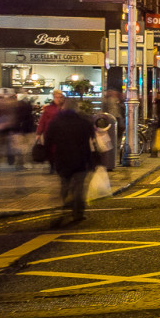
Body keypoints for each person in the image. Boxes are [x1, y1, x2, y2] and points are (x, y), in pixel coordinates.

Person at [42, 97, 96, 226]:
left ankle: (64, 207)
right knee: (79, 187)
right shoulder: (84, 122)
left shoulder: (56, 122)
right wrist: (92, 160)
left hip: (62, 159)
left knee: (64, 185)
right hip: (81, 159)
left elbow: (48, 141)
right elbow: (92, 141)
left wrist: (49, 157)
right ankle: (77, 213)